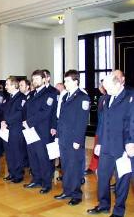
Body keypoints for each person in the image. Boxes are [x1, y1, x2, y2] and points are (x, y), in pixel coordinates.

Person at [87, 72, 132, 217]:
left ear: (118, 84)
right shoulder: (106, 98)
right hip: (106, 145)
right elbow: (102, 122)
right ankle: (104, 205)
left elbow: (131, 123)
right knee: (103, 177)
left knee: (122, 181)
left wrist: (130, 142)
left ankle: (119, 211)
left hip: (122, 147)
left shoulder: (130, 98)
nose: (106, 91)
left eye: (109, 88)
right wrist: (99, 142)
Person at [54, 70, 90, 206]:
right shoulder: (65, 97)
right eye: (65, 80)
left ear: (76, 81)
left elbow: (82, 121)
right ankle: (67, 190)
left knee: (74, 167)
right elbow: (61, 119)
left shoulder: (82, 97)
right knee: (66, 166)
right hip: (63, 137)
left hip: (74, 139)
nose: (65, 83)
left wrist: (78, 140)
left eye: (67, 81)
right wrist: (58, 136)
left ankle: (76, 194)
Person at [23, 70, 57, 193]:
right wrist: (25, 122)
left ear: (44, 79)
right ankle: (36, 179)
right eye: (33, 79)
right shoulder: (31, 94)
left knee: (43, 157)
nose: (34, 81)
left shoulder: (50, 93)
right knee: (32, 156)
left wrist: (29, 122)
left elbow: (45, 111)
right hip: (29, 130)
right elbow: (26, 111)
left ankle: (46, 183)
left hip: (42, 130)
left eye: (37, 79)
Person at [2, 77, 25, 183]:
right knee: (9, 152)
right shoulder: (8, 97)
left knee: (17, 152)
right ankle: (11, 173)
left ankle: (18, 175)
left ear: (14, 85)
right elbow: (3, 111)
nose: (5, 86)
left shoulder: (21, 97)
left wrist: (7, 121)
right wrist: (2, 121)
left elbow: (19, 113)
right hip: (7, 129)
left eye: (7, 84)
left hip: (16, 129)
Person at [85, 80, 106, 175]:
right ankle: (93, 167)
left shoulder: (112, 98)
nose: (99, 87)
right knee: (96, 148)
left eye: (101, 85)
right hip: (100, 128)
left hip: (108, 130)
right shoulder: (101, 98)